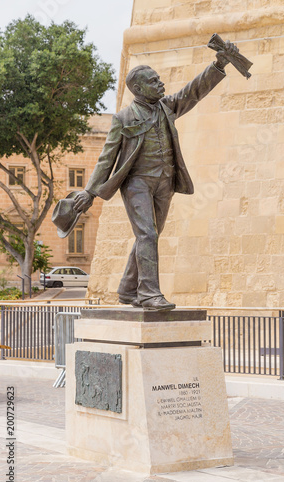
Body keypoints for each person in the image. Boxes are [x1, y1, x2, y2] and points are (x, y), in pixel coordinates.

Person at [73, 41, 239, 311]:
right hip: (136, 183)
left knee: (149, 235)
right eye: (154, 81)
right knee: (147, 234)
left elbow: (193, 92)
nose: (160, 84)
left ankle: (128, 289)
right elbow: (107, 158)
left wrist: (218, 65)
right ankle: (149, 294)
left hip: (165, 182)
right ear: (138, 89)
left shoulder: (167, 106)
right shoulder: (123, 119)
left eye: (159, 79)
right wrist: (90, 191)